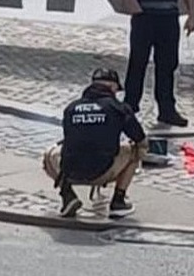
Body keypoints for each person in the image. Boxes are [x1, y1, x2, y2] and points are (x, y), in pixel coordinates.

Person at [43, 68, 149, 219]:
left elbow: (71, 138)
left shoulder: (71, 108)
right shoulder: (118, 108)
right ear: (112, 86)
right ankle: (118, 201)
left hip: (70, 171)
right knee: (135, 149)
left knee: (50, 153)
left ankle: (67, 195)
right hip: (103, 169)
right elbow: (139, 137)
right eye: (116, 90)